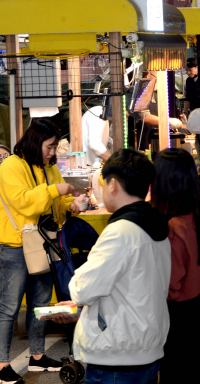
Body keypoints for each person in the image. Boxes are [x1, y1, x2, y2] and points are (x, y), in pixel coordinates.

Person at [69, 149, 171, 384]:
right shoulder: (155, 225)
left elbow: (82, 288)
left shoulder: (120, 231)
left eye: (103, 184)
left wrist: (79, 289)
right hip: (146, 348)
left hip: (117, 357)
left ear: (113, 184)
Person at [0, 120, 79, 382]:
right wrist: (57, 189)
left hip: (45, 242)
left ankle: (37, 357)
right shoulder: (11, 166)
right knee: (9, 308)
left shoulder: (48, 167)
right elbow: (23, 202)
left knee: (41, 303)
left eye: (55, 147)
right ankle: (2, 365)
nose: (53, 152)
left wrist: (72, 204)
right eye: (50, 147)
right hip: (15, 246)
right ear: (36, 142)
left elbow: (57, 201)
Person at [151, 148, 200, 383]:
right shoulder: (196, 214)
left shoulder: (170, 227)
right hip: (197, 310)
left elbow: (170, 284)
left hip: (175, 316)